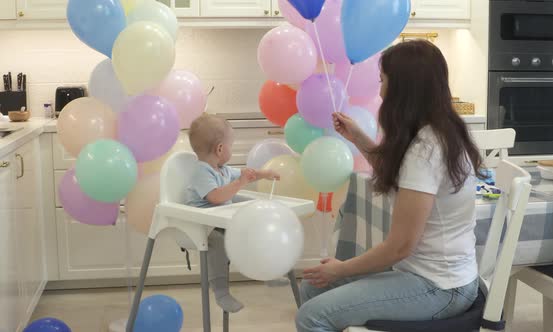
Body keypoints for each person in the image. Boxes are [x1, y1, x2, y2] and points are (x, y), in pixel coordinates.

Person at [295, 39, 485, 331]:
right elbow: (404, 178)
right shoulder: (437, 133)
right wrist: (359, 138)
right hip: (434, 276)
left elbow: (399, 247)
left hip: (441, 287)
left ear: (402, 90)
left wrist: (340, 268)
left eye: (383, 81)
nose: (380, 91)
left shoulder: (427, 148)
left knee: (311, 316)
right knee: (313, 289)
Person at [186, 114, 280, 313]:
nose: (232, 148)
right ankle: (221, 292)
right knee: (218, 241)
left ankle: (268, 269)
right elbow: (216, 197)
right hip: (202, 225)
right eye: (232, 145)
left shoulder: (223, 170)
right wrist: (240, 183)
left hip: (222, 220)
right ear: (221, 149)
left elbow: (247, 174)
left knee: (252, 229)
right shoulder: (201, 171)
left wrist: (265, 173)